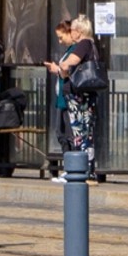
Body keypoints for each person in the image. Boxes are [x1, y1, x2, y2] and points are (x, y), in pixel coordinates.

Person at [44, 15, 99, 180]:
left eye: (73, 30)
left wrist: (61, 67)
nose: (72, 33)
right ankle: (86, 169)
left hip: (78, 96)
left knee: (78, 132)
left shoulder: (83, 44)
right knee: (85, 133)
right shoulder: (92, 45)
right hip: (86, 95)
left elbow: (69, 63)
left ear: (79, 31)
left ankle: (78, 170)